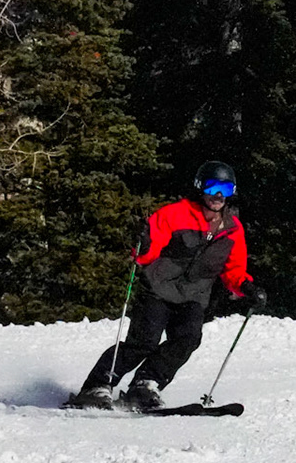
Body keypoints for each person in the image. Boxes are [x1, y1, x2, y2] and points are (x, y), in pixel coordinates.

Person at [67, 160, 265, 411]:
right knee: (143, 342)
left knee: (188, 339)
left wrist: (246, 288)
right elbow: (146, 254)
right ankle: (97, 385)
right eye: (212, 187)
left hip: (194, 295)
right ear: (200, 187)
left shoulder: (233, 229)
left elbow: (233, 270)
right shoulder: (175, 214)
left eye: (225, 189)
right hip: (158, 289)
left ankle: (146, 384)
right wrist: (144, 244)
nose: (217, 196)